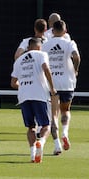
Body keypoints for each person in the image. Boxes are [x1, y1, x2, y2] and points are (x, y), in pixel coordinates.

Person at [11, 37, 57, 163]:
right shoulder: (41, 54)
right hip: (39, 95)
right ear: (39, 46)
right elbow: (46, 68)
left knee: (31, 127)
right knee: (46, 126)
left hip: (24, 96)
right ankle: (41, 143)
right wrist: (52, 88)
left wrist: (25, 85)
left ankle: (32, 154)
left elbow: (13, 83)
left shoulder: (19, 60)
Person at [42, 20, 80, 155]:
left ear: (52, 31)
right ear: (65, 31)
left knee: (53, 115)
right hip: (67, 83)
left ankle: (57, 145)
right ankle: (65, 133)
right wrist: (75, 70)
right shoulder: (69, 43)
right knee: (65, 110)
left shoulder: (46, 45)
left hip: (52, 84)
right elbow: (76, 57)